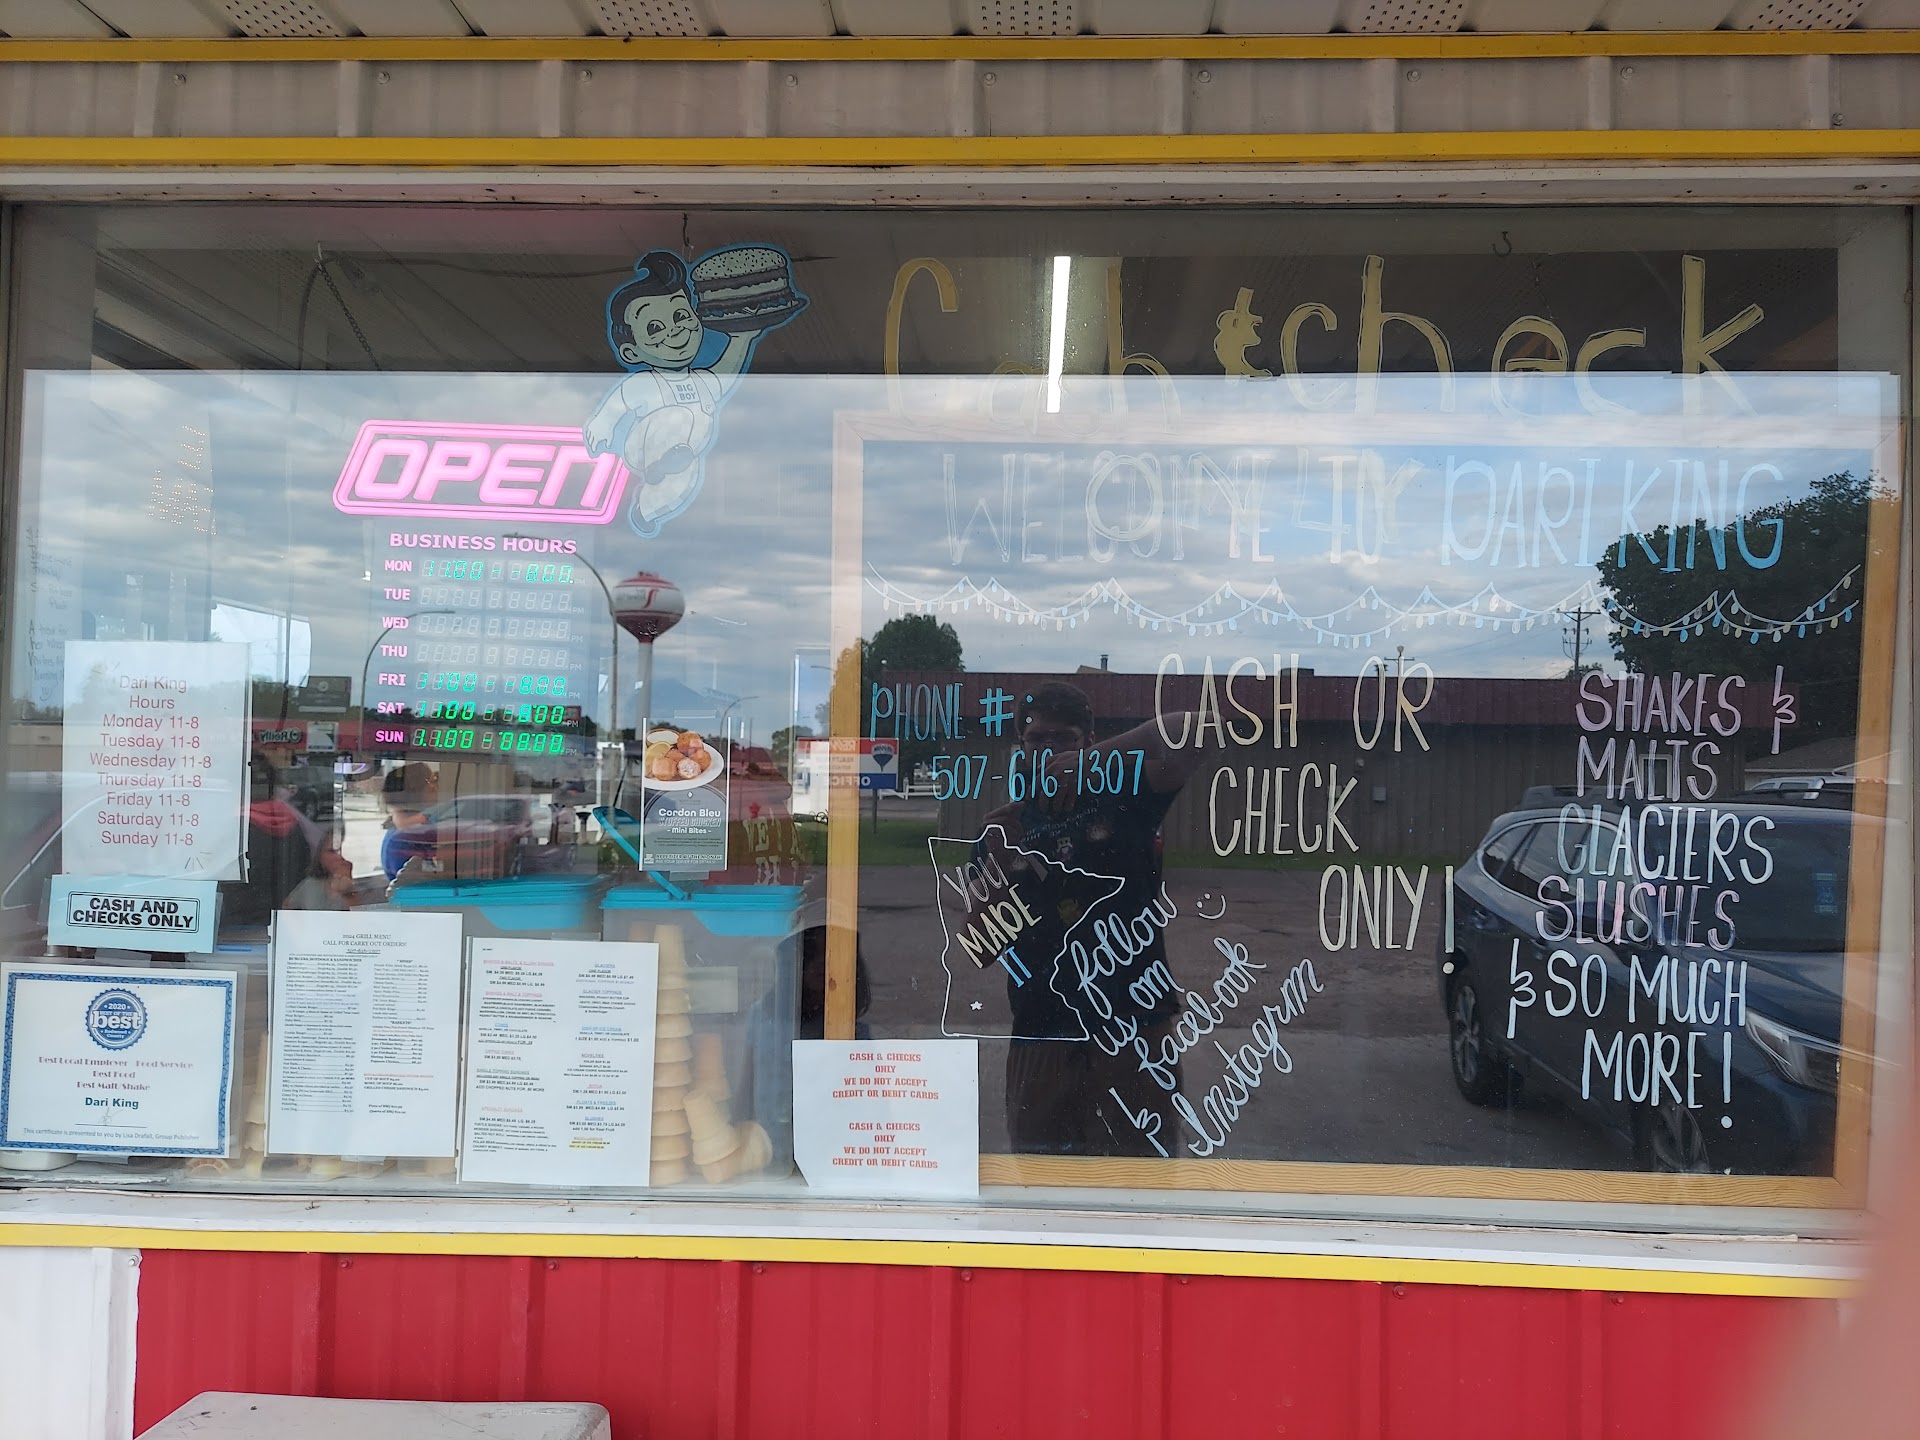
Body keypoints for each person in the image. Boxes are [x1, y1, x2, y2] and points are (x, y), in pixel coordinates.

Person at [977, 681, 1208, 1157]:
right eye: (1036, 738)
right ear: (1021, 744)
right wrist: (996, 873)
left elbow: (1198, 731)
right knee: (1040, 1182)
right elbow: (981, 948)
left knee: (1141, 1176)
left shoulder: (1126, 795)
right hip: (1041, 1032)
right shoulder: (1005, 826)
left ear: (1088, 739)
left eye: (1063, 738)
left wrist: (1089, 762)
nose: (1048, 749)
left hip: (1133, 1026)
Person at [580, 248, 803, 538]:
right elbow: (616, 405)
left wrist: (742, 338)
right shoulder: (644, 384)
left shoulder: (702, 381)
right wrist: (602, 425)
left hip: (685, 453)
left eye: (681, 315)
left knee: (685, 477)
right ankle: (658, 466)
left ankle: (646, 511)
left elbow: (727, 369)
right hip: (645, 447)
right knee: (679, 417)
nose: (675, 330)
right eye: (655, 327)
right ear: (631, 352)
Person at [379, 762, 439, 884]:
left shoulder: (423, 828)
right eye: (432, 781)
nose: (436, 787)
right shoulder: (401, 841)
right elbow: (421, 877)